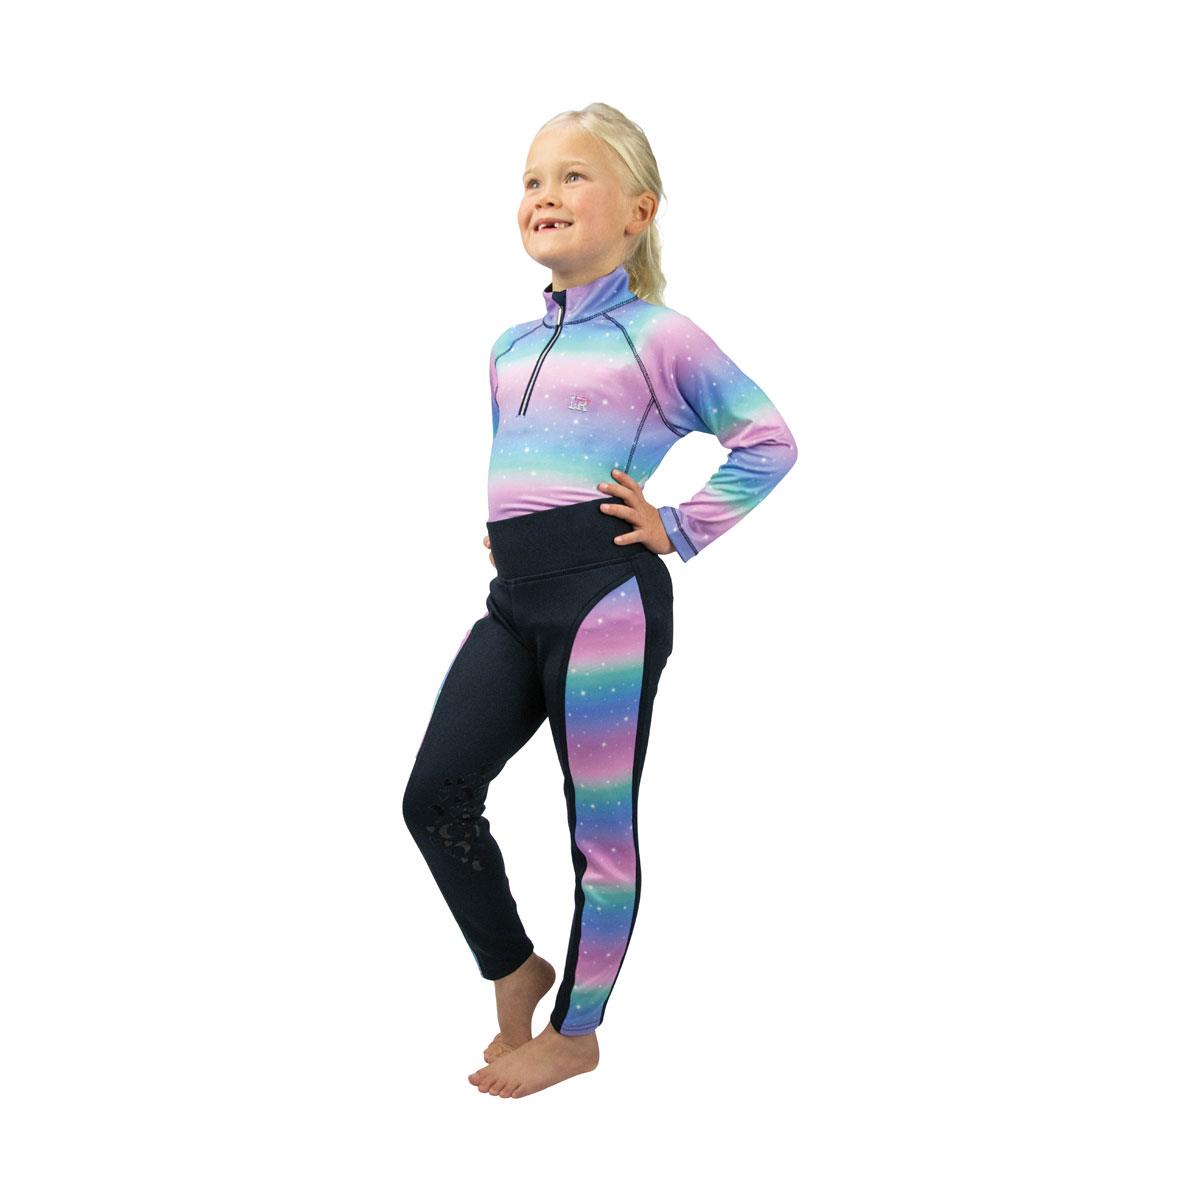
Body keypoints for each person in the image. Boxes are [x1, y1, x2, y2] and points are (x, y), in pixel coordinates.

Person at [402, 102, 798, 1099]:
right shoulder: (507, 347)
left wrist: (681, 525)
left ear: (638, 211)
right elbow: (530, 459)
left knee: (599, 829)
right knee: (434, 795)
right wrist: (515, 525)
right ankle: (513, 966)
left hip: (605, 600)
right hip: (515, 598)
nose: (545, 194)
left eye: (574, 176)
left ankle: (577, 1033)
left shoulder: (659, 336)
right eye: (532, 179)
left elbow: (767, 440)